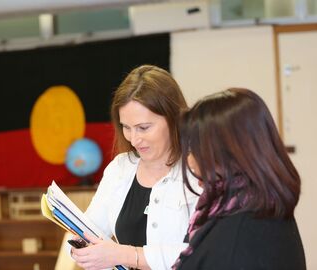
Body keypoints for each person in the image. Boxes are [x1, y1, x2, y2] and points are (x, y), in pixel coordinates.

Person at [70, 65, 199, 270]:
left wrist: (125, 254)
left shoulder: (198, 171)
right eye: (126, 127)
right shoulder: (120, 168)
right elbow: (91, 229)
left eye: (144, 128)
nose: (134, 139)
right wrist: (81, 247)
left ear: (174, 118)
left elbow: (200, 253)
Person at [173, 88, 306, 270]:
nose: (190, 160)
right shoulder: (266, 205)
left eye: (193, 150)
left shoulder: (235, 237)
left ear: (223, 156)